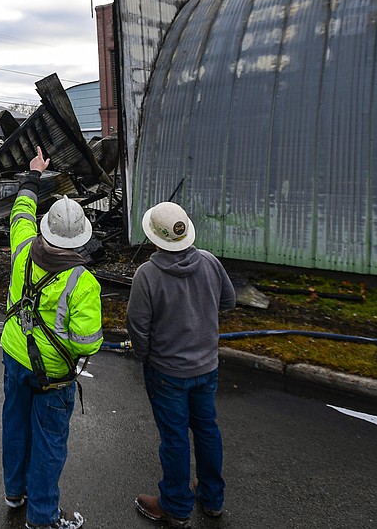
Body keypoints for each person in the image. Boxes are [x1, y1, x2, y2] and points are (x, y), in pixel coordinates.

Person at [1, 146, 103, 529]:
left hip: (14, 356)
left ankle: (15, 493)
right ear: (80, 240)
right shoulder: (82, 282)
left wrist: (33, 175)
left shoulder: (23, 248)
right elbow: (88, 342)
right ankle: (42, 517)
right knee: (49, 441)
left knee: (15, 425)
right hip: (53, 375)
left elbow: (21, 213)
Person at [127, 201, 236, 526]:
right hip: (207, 368)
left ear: (154, 238)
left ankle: (174, 505)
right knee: (206, 429)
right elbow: (228, 302)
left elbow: (138, 327)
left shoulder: (147, 275)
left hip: (167, 372)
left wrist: (145, 354)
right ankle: (211, 497)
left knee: (174, 437)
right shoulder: (209, 262)